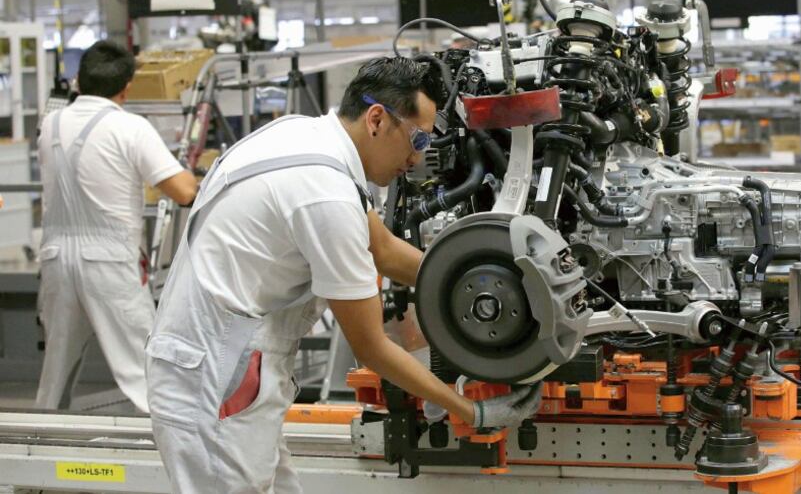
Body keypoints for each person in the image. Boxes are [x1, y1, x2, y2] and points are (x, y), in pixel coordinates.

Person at [146, 56, 541, 493]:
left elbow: (386, 251)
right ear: (377, 119)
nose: (417, 157)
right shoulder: (325, 195)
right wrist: (469, 411)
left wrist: (490, 282)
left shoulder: (306, 138)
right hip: (215, 377)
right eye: (418, 139)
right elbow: (371, 346)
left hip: (227, 366)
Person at [35, 40, 198, 412]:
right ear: (127, 86)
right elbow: (184, 191)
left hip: (56, 259)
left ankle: (44, 443)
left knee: (57, 369)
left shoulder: (50, 124)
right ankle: (168, 449)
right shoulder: (130, 128)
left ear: (78, 81)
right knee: (144, 367)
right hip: (108, 261)